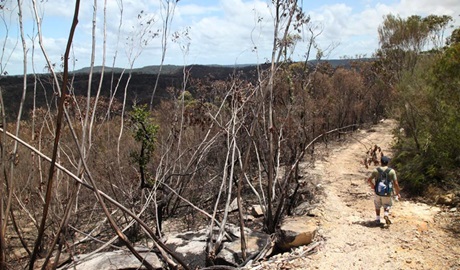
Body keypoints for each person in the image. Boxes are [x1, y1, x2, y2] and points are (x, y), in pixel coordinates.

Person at [367, 156, 401, 225]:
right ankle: (386, 214)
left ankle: (377, 219)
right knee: (387, 204)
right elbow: (396, 183)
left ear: (381, 162)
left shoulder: (376, 170)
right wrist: (398, 193)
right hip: (387, 193)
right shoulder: (391, 171)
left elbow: (369, 179)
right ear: (388, 162)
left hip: (378, 192)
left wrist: (372, 185)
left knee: (377, 205)